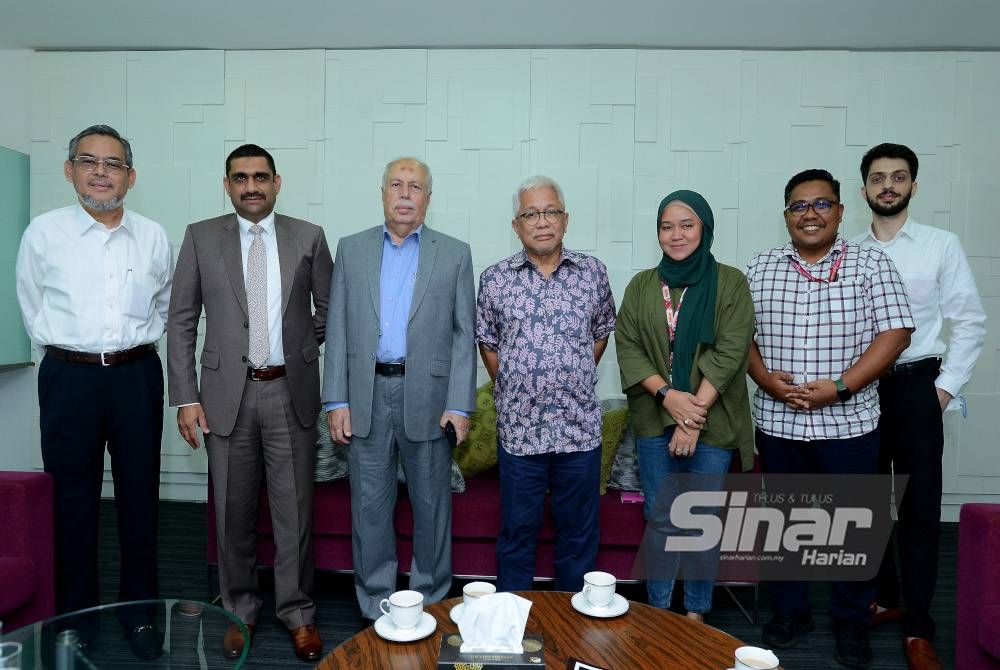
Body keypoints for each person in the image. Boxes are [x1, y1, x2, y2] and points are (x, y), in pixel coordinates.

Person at [167, 144, 332, 663]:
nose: (251, 186)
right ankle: (238, 609)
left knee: (295, 514)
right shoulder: (200, 237)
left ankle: (298, 613)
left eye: (260, 177)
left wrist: (303, 351)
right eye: (240, 178)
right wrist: (186, 398)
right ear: (227, 184)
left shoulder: (308, 236)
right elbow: (181, 321)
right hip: (224, 397)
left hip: (290, 391)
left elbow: (329, 311)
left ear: (277, 182)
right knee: (232, 515)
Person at [15, 124, 172, 659]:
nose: (100, 172)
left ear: (131, 175)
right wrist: (67, 359)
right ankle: (75, 617)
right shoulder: (43, 232)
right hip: (69, 378)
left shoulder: (152, 235)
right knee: (70, 501)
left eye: (112, 163)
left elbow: (165, 307)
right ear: (69, 171)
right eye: (89, 161)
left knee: (139, 499)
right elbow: (32, 306)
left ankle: (141, 614)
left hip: (135, 376)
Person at [746, 169, 914, 669]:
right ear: (786, 217)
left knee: (850, 530)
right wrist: (764, 378)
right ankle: (792, 613)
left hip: (850, 424)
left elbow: (896, 333)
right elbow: (739, 338)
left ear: (841, 211)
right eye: (799, 206)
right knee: (786, 527)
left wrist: (840, 387)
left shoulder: (871, 264)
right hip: (779, 423)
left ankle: (850, 621)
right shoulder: (759, 267)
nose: (810, 214)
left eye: (821, 204)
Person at [322, 157, 476, 623]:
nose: (405, 194)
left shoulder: (455, 253)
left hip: (429, 402)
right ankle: (376, 605)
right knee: (369, 508)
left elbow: (462, 334)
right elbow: (339, 328)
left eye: (416, 186)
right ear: (382, 192)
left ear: (429, 197)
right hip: (366, 397)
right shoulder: (351, 249)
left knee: (432, 508)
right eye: (396, 184)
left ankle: (429, 601)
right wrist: (336, 400)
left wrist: (458, 404)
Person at [854, 143, 986, 670]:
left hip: (917, 386)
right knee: (862, 503)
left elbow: (970, 321)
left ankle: (918, 627)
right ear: (863, 188)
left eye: (899, 177)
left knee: (920, 509)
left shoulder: (940, 245)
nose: (888, 185)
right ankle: (884, 599)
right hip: (860, 387)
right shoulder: (850, 250)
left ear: (913, 185)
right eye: (878, 178)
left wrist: (945, 389)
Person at [615, 189, 754, 621]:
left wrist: (692, 415)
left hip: (713, 424)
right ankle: (658, 611)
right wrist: (667, 396)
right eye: (666, 226)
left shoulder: (730, 282)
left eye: (687, 225)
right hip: (655, 421)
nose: (676, 235)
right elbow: (629, 346)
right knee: (660, 519)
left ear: (705, 229)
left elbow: (731, 351)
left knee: (699, 522)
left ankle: (696, 613)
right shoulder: (642, 285)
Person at [476, 176, 616, 593]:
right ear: (516, 225)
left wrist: (567, 374)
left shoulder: (592, 273)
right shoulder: (495, 279)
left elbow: (601, 332)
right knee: (517, 537)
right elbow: (489, 344)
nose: (542, 221)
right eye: (530, 213)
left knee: (578, 539)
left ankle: (572, 631)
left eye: (551, 211)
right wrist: (521, 385)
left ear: (565, 220)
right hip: (520, 435)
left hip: (579, 433)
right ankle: (512, 629)